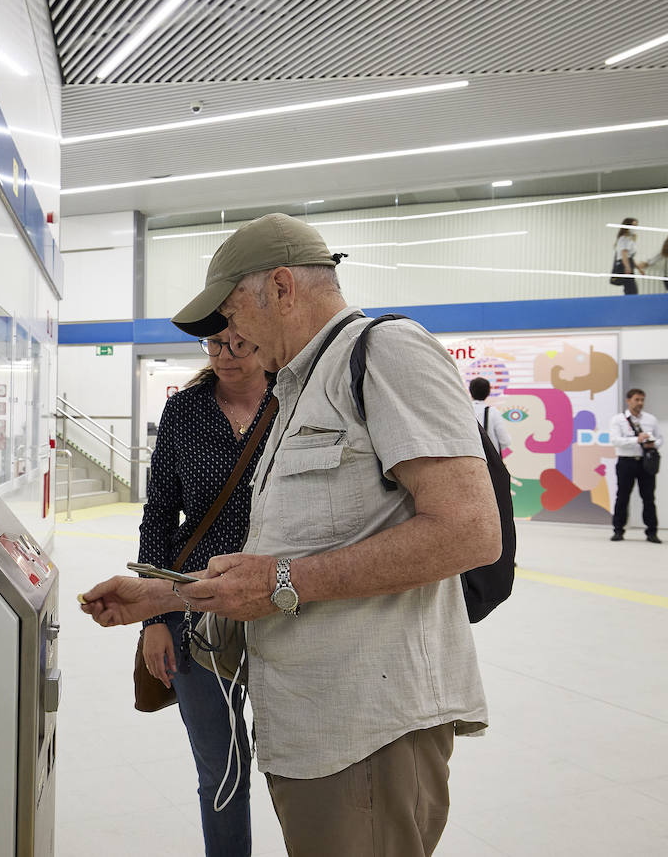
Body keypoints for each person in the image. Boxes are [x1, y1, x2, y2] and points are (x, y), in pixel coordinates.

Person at [79, 213, 501, 856]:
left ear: (280, 288)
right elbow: (292, 549)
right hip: (312, 724)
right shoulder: (300, 388)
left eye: (230, 313)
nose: (228, 334)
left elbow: (469, 531)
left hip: (368, 728)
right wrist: (167, 599)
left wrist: (285, 582)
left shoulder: (385, 352)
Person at [138, 328, 273, 856]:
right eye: (214, 345)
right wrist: (152, 616)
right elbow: (158, 515)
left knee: (300, 760)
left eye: (240, 342)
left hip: (282, 604)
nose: (225, 356)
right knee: (221, 766)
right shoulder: (185, 411)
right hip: (192, 608)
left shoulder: (294, 403)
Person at [610, 387, 665, 542]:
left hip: (645, 462)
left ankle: (652, 532)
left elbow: (661, 439)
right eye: (637, 400)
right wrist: (637, 440)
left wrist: (653, 444)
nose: (640, 403)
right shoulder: (618, 420)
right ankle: (618, 530)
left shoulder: (651, 419)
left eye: (642, 400)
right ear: (628, 401)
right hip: (626, 461)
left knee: (648, 498)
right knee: (622, 497)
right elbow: (615, 440)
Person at [469, 376, 511, 457]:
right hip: (490, 462)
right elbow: (505, 440)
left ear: (470, 391)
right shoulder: (493, 412)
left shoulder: (465, 411)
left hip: (471, 460)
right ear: (488, 392)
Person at [612, 218, 646, 295]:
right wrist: (627, 267)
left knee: (629, 288)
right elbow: (624, 253)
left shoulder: (630, 239)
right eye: (633, 225)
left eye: (636, 226)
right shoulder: (624, 238)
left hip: (628, 263)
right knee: (631, 289)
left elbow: (630, 256)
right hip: (625, 264)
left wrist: (639, 268)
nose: (635, 228)